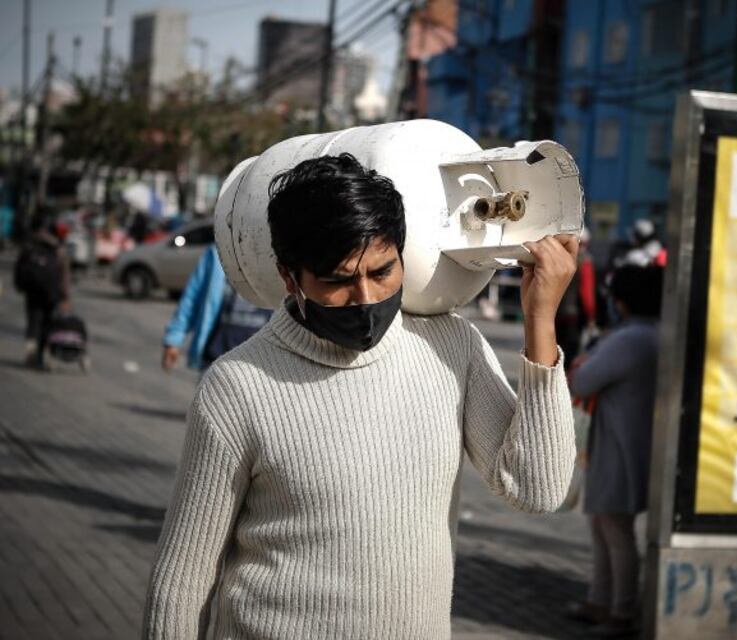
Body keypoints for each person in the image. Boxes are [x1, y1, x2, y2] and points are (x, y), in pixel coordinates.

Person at [142, 153, 579, 638]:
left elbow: (537, 489)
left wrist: (541, 321)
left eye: (382, 272)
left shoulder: (453, 347)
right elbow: (182, 580)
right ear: (291, 278)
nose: (366, 298)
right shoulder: (238, 386)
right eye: (338, 281)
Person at [566, 264, 663, 636]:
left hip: (618, 447)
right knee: (604, 526)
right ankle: (599, 600)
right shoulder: (649, 334)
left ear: (622, 301)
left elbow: (584, 379)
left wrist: (581, 363)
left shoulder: (630, 339)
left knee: (615, 531)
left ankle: (621, 611)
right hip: (626, 442)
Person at [161, 243, 271, 373]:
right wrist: (174, 339)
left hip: (261, 366)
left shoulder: (277, 253)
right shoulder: (217, 254)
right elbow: (191, 298)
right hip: (215, 359)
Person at [13, 216, 71, 369]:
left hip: (32, 291)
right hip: (51, 293)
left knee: (33, 322)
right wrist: (64, 296)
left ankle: (30, 353)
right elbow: (63, 275)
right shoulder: (58, 248)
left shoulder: (30, 244)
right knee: (47, 324)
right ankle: (41, 356)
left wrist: (19, 285)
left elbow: (20, 266)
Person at [556, 227, 597, 369]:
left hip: (554, 312)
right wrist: (591, 316)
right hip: (573, 316)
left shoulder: (557, 258)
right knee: (568, 357)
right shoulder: (585, 261)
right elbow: (587, 293)